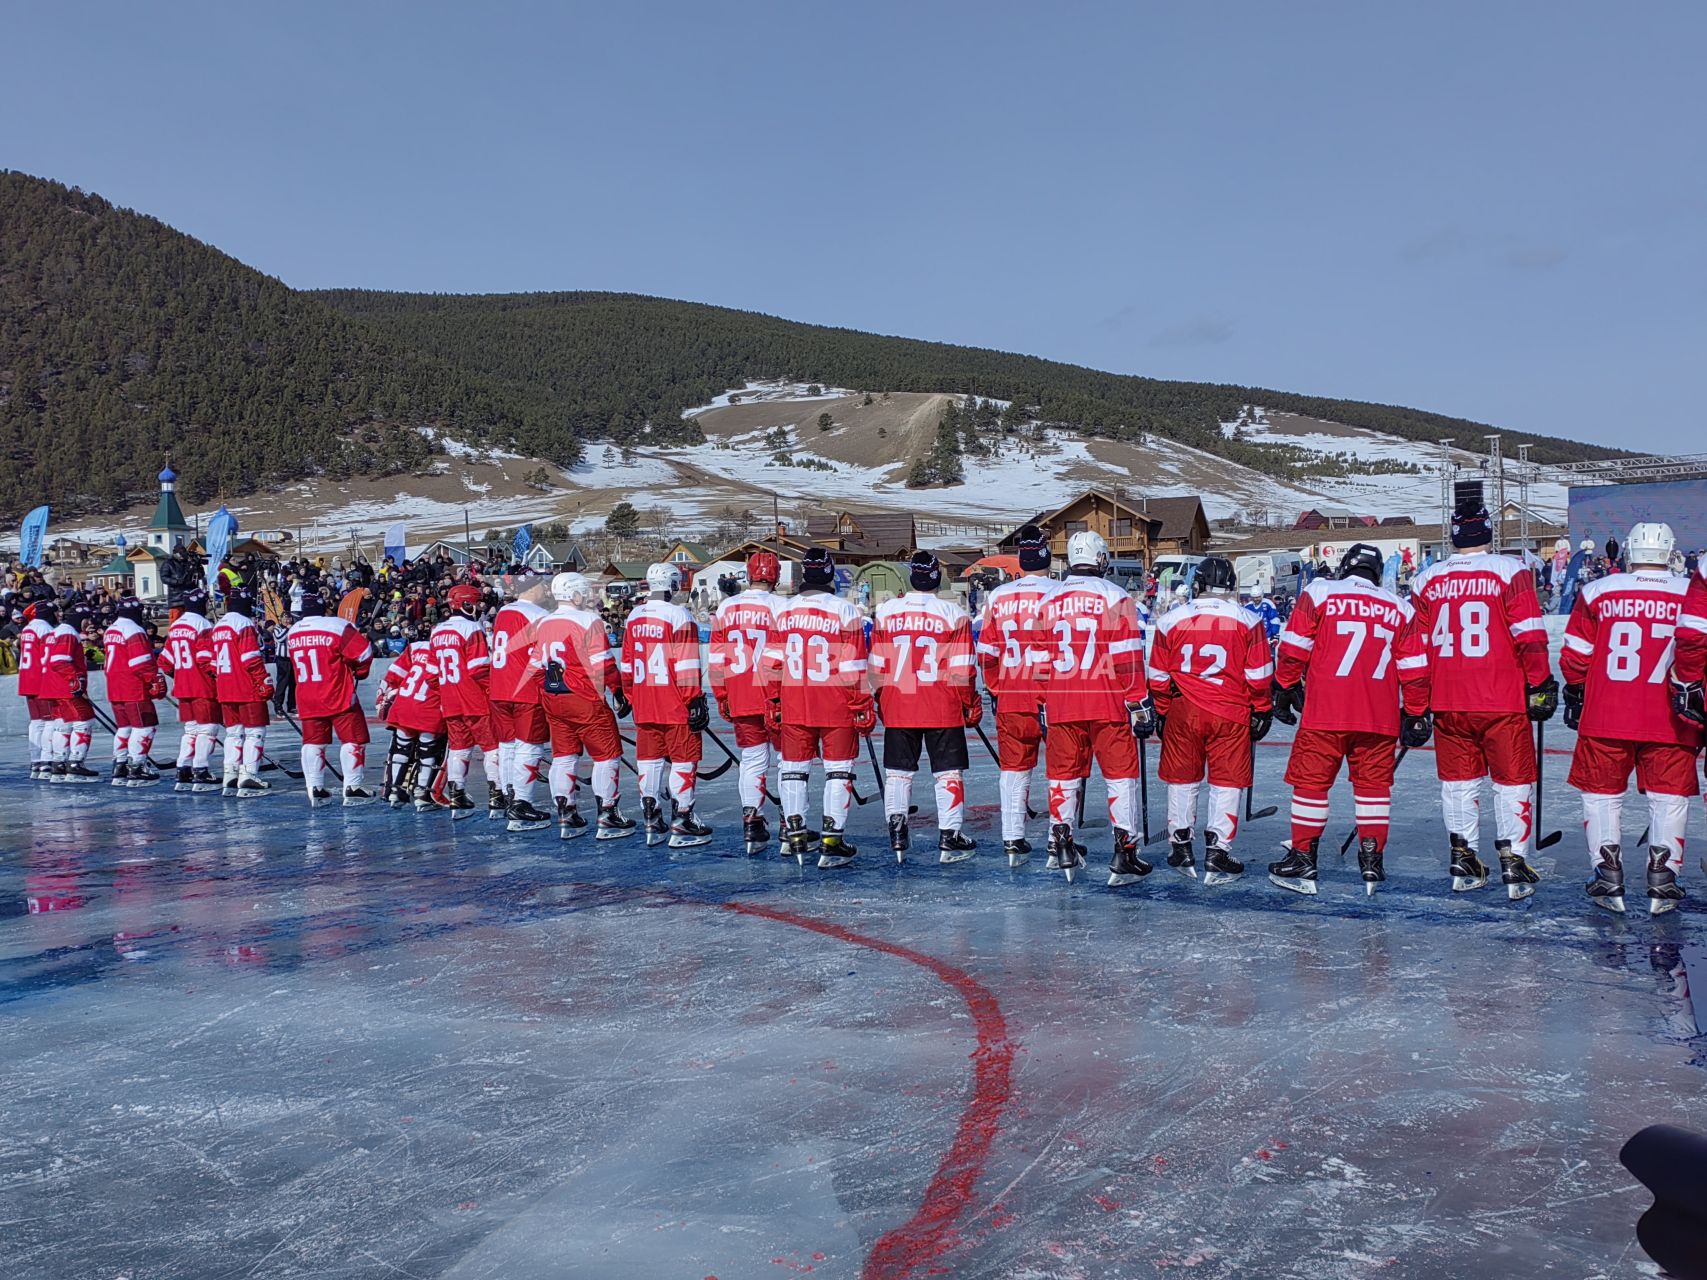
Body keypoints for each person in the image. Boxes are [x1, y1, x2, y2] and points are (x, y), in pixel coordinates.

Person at [1407, 505, 1557, 898]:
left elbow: (1416, 650)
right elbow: (1529, 634)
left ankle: (1464, 857)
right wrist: (1540, 683)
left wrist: (1416, 704)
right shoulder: (1511, 571)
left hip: (1448, 698)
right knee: (1513, 780)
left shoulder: (1427, 579)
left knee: (1458, 784)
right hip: (1500, 695)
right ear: (1489, 532)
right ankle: (1514, 860)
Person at [1270, 542, 1431, 895]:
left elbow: (1295, 647)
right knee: (1373, 789)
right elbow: (1415, 669)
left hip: (1325, 712)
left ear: (1346, 566)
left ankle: (1303, 858)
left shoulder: (1321, 591)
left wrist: (1283, 686)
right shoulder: (1399, 607)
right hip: (1378, 715)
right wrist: (1416, 712)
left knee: (1311, 785)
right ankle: (1372, 861)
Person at [1562, 522, 1701, 914]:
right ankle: (1663, 876)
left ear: (1627, 550)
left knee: (1602, 797)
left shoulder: (1599, 590)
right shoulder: (1690, 592)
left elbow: (1575, 654)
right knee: (1668, 798)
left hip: (1607, 712)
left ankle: (1608, 873)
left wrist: (1575, 688)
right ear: (1670, 551)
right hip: (1672, 714)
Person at [1145, 555, 1273, 886]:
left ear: (1198, 584)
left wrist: (1161, 708)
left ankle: (1181, 843)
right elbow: (1258, 675)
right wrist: (1261, 708)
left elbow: (1158, 675)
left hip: (1184, 708)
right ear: (1231, 586)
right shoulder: (1249, 619)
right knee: (1227, 782)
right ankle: (1218, 849)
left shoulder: (1171, 619)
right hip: (1230, 710)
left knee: (1182, 779)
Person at [1038, 530, 1151, 886]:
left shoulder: (1048, 600)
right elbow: (1128, 657)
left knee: (1063, 776)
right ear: (1100, 559)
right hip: (1107, 701)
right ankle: (1125, 850)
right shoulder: (1115, 597)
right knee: (1120, 778)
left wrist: (1044, 701)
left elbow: (1040, 660)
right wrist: (1139, 703)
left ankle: (1063, 844)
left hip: (1061, 700)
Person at [764, 547, 872, 867]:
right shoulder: (845, 610)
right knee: (838, 771)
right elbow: (853, 666)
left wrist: (773, 700)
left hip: (795, 701)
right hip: (836, 702)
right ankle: (831, 840)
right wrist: (862, 704)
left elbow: (771, 664)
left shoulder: (783, 611)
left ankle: (795, 836)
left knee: (793, 770)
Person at [871, 551, 980, 864]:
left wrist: (880, 698)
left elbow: (877, 663)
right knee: (947, 773)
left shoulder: (887, 611)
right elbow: (962, 668)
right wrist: (970, 704)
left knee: (898, 774)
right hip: (941, 703)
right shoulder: (953, 614)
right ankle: (950, 836)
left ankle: (897, 833)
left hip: (899, 701)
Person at [975, 524, 1059, 866]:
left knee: (1013, 769)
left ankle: (1012, 838)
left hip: (1012, 693)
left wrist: (996, 689)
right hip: (1053, 695)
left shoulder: (998, 596)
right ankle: (1059, 837)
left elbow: (987, 654)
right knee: (1062, 770)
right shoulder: (1060, 593)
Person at [529, 572, 632, 839]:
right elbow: (604, 665)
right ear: (574, 594)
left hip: (554, 697)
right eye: (584, 592)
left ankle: (566, 813)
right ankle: (608, 813)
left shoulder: (544, 623)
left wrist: (551, 689)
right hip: (584, 697)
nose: (587, 597)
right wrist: (618, 690)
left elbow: (536, 666)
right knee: (607, 755)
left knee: (564, 755)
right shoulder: (588, 620)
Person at [620, 564, 711, 847]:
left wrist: (629, 695)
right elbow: (686, 663)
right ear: (671, 585)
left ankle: (651, 816)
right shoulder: (679, 615)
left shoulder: (634, 616)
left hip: (645, 699)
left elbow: (626, 662)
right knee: (684, 759)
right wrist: (694, 698)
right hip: (674, 701)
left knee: (649, 758)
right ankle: (683, 817)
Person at [709, 550, 786, 854]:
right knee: (788, 763)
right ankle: (790, 822)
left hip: (740, 692)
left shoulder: (727, 608)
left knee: (753, 760)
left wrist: (721, 694)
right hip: (776, 694)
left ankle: (752, 822)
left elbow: (716, 657)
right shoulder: (783, 606)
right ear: (776, 576)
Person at [284, 588, 378, 806]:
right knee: (353, 738)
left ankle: (314, 788)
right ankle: (353, 786)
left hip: (307, 694)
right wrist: (358, 672)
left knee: (313, 742)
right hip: (337, 692)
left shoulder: (294, 631)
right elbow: (363, 654)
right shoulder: (337, 625)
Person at [429, 583, 504, 817]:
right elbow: (479, 669)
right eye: (478, 602)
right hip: (474, 699)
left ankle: (457, 794)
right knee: (492, 747)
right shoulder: (471, 629)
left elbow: (432, 674)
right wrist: (496, 692)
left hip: (450, 700)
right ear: (467, 604)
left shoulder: (437, 631)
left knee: (459, 749)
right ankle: (497, 795)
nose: (481, 608)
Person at [488, 573, 554, 825]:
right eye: (542, 585)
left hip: (500, 687)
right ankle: (522, 803)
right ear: (533, 588)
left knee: (507, 745)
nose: (546, 590)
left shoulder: (504, 612)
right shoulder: (538, 616)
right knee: (530, 745)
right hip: (525, 689)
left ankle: (509, 795)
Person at [201, 588, 274, 798]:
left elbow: (212, 663)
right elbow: (250, 658)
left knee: (233, 733)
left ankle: (230, 773)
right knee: (255, 732)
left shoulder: (219, 626)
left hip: (225, 686)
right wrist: (264, 681)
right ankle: (249, 774)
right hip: (246, 686)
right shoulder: (244, 624)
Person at [377, 627, 446, 810]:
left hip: (405, 704)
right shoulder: (448, 649)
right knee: (429, 751)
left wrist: (383, 694)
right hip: (430, 707)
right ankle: (423, 794)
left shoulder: (416, 647)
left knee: (400, 748)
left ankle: (394, 792)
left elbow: (394, 674)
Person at [161, 588, 223, 792]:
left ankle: (183, 768)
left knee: (191, 730)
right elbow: (205, 658)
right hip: (202, 685)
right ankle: (201, 770)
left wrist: (180, 676)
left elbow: (165, 661)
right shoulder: (203, 625)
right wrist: (216, 678)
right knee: (208, 728)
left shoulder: (176, 625)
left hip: (183, 685)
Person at [101, 596, 166, 787]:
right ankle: (137, 766)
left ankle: (120, 764)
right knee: (145, 725)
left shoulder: (111, 629)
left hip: (114, 684)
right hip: (133, 685)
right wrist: (153, 679)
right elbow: (141, 662)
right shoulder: (134, 630)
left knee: (125, 726)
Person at [39, 602, 101, 782]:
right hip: (65, 687)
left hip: (52, 685)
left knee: (63, 724)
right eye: (87, 619)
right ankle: (75, 764)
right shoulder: (68, 633)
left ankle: (59, 763)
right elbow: (59, 661)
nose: (89, 624)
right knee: (84, 720)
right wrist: (75, 680)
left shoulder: (55, 632)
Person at [17, 601, 56, 779]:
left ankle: (36, 761)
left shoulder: (27, 629)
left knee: (36, 721)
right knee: (49, 721)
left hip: (27, 677)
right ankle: (47, 760)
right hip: (42, 678)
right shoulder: (45, 628)